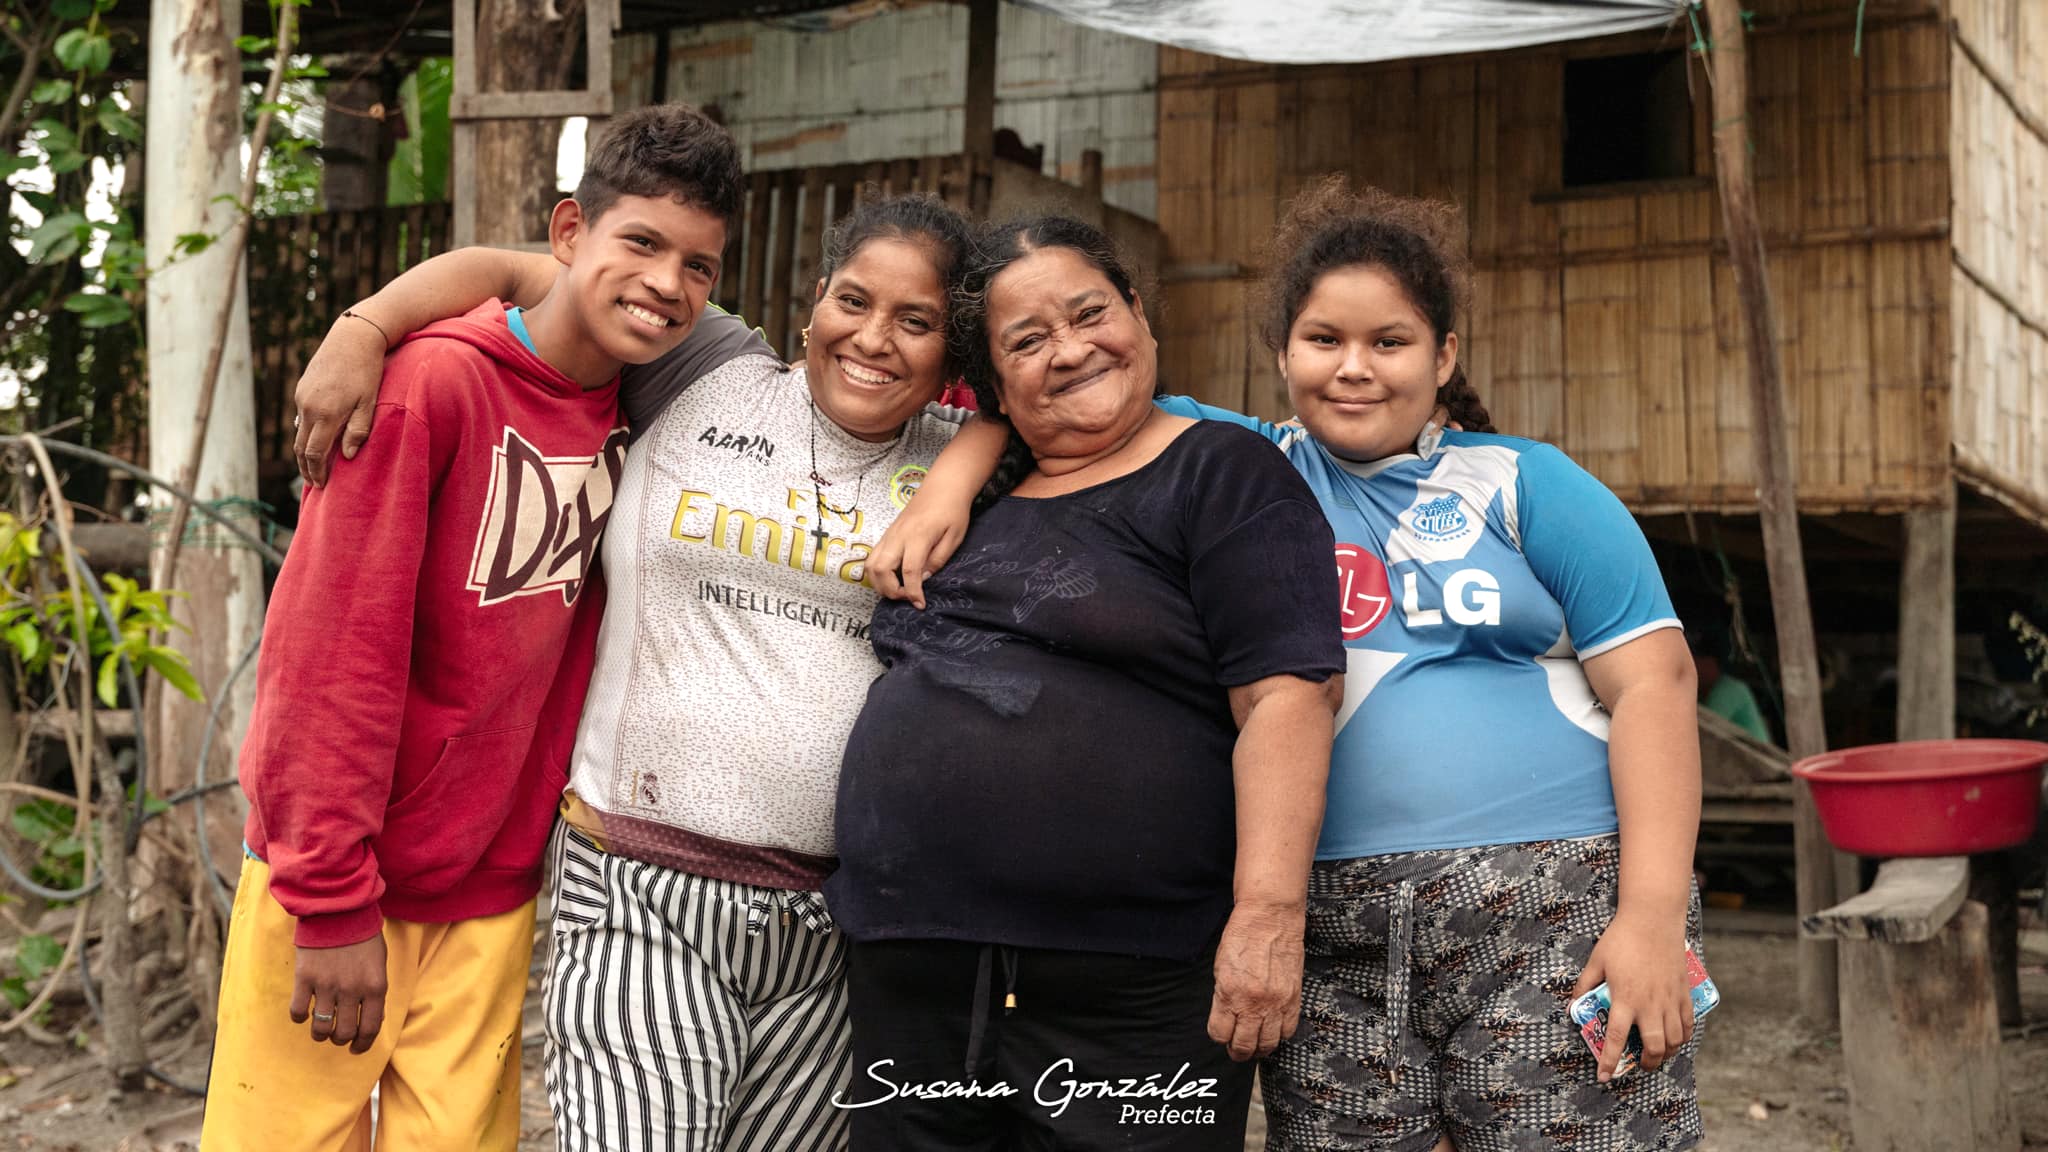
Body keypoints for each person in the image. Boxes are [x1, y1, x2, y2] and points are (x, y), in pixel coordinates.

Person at [876, 180, 1705, 1152]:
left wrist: (1652, 919)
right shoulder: (1241, 461)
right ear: (1281, 353)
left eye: (1389, 342)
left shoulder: (1529, 481)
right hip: (1331, 930)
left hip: (1551, 900)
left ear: (1443, 354)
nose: (1353, 367)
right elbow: (1054, 394)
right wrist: (948, 485)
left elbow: (1655, 687)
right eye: (1323, 340)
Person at [287, 192, 1001, 1151]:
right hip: (638, 887)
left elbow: (1104, 402)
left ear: (954, 354)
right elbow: (530, 272)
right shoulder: (708, 367)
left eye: (916, 322)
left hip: (839, 925)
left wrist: (967, 461)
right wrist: (364, 326)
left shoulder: (968, 467)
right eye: (853, 301)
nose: (873, 338)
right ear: (815, 300)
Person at [204, 103, 743, 1152]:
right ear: (569, 230)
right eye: (640, 243)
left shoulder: (647, 403)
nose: (667, 284)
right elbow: (330, 658)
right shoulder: (428, 386)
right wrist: (330, 899)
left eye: (699, 266)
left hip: (489, 882)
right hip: (340, 881)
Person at [826, 215, 1346, 1151]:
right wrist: (962, 469)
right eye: (1027, 341)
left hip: (1128, 983)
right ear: (994, 386)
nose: (1069, 350)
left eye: (1089, 313)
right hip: (915, 970)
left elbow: (1288, 696)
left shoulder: (1221, 473)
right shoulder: (967, 497)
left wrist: (1269, 914)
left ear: (1139, 313)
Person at [1691, 630, 1772, 743]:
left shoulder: (1728, 689)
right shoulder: (1712, 690)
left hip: (1753, 754)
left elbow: (1705, 730)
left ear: (1711, 661)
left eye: (1696, 660)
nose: (1693, 667)